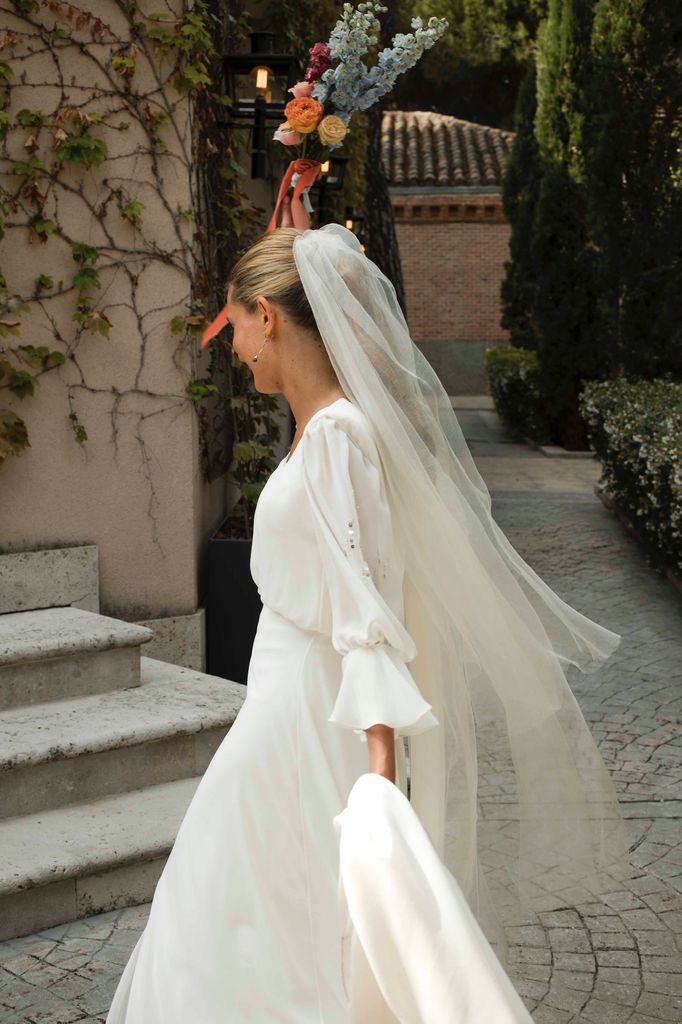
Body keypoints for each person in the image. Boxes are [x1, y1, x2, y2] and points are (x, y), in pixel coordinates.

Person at [106, 223, 629, 1022]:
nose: (235, 345)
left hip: (306, 717)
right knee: (250, 896)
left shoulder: (335, 444)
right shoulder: (326, 432)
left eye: (236, 323)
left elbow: (365, 612)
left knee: (266, 896)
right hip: (289, 702)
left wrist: (379, 771)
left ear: (267, 316)